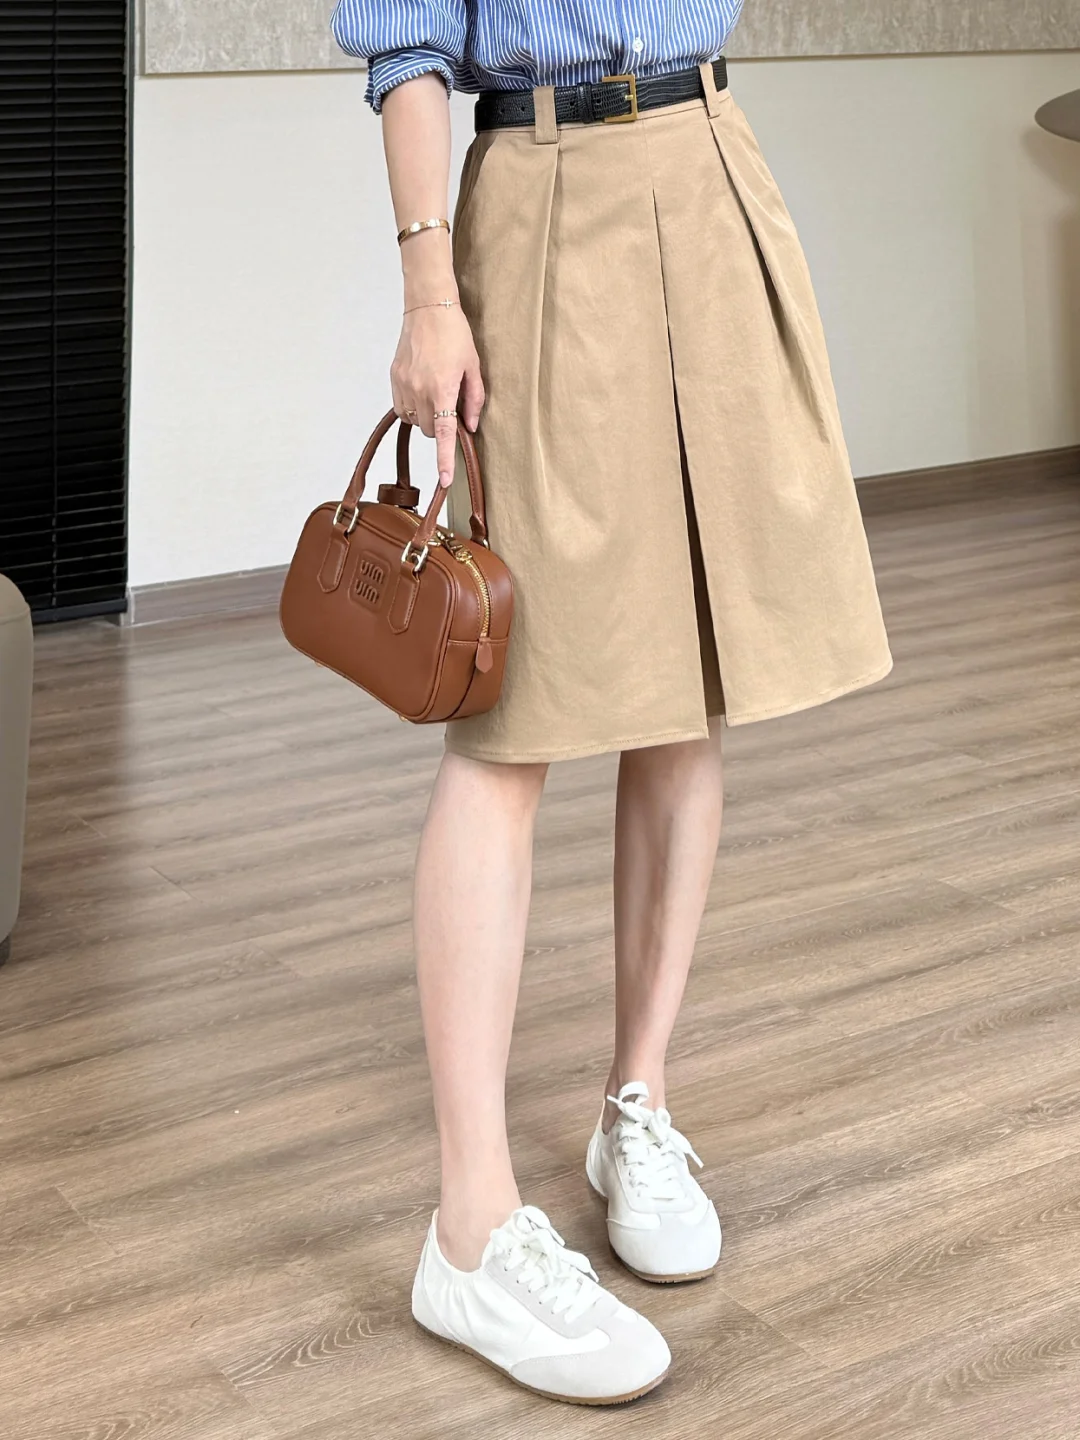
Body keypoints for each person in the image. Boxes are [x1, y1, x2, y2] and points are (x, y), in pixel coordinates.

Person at [331, 0, 893, 1406]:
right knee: (507, 721)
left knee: (685, 686)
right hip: (538, 199)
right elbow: (406, 46)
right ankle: (470, 1228)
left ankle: (636, 1105)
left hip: (710, 177)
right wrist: (429, 294)